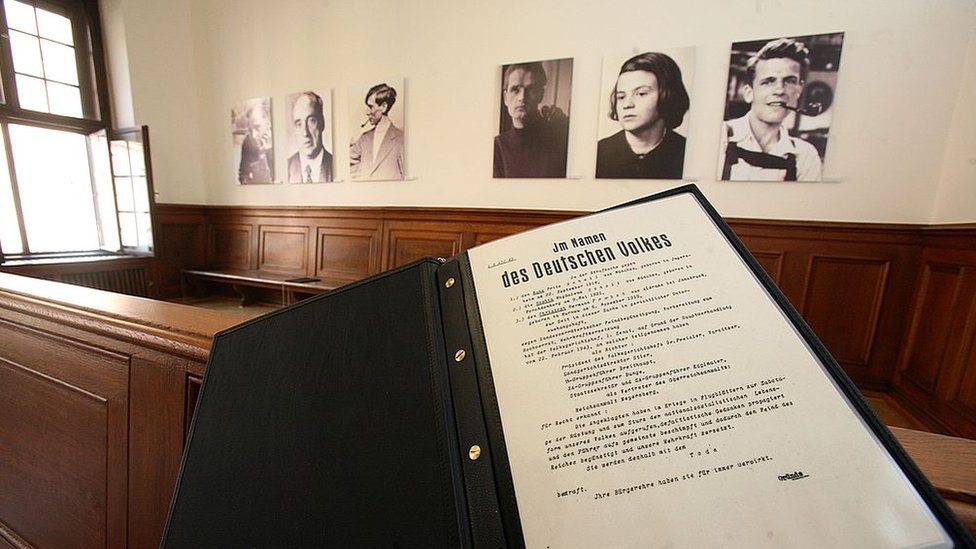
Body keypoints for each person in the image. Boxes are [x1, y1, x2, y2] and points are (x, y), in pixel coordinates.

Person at [719, 37, 823, 181]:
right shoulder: (719, 137)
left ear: (798, 91)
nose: (780, 90)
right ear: (749, 93)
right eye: (768, 82)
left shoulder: (805, 156)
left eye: (789, 81)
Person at [595, 52, 690, 179]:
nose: (627, 105)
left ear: (667, 95)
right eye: (621, 97)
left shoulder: (687, 152)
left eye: (641, 94)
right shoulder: (599, 152)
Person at [493, 62, 569, 178]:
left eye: (531, 90)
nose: (522, 97)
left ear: (541, 95)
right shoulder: (498, 146)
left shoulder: (560, 140)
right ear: (505, 98)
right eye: (515, 89)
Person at [349, 83, 404, 180]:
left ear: (384, 107)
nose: (367, 112)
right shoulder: (364, 138)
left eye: (371, 107)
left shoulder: (401, 139)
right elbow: (344, 161)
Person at [287, 92, 333, 183]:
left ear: (322, 123)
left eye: (311, 121)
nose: (305, 133)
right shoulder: (286, 167)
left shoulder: (336, 164)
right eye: (299, 124)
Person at [238, 100, 273, 184]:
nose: (253, 135)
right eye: (250, 130)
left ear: (268, 123)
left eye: (257, 127)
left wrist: (264, 155)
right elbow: (243, 175)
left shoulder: (278, 142)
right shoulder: (247, 142)